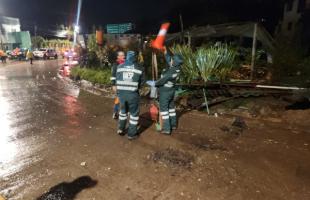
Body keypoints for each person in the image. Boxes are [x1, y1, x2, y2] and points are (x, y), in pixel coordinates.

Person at [115, 51, 144, 140]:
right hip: (132, 94)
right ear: (135, 57)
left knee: (123, 111)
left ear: (127, 57)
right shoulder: (139, 68)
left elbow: (117, 80)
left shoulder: (119, 67)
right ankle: (131, 134)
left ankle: (120, 129)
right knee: (134, 114)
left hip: (121, 95)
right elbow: (141, 83)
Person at [154, 46, 183, 135]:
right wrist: (165, 51)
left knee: (164, 110)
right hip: (171, 91)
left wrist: (155, 83)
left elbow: (163, 80)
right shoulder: (177, 68)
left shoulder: (171, 71)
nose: (171, 60)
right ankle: (173, 125)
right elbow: (169, 59)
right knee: (171, 109)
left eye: (172, 59)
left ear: (174, 62)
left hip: (165, 92)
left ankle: (166, 129)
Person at [111, 51, 125, 119]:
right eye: (121, 55)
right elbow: (113, 75)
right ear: (118, 57)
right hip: (118, 84)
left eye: (123, 55)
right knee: (118, 98)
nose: (123, 56)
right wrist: (113, 85)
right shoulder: (115, 64)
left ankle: (123, 112)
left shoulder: (126, 63)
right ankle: (115, 112)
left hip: (125, 84)